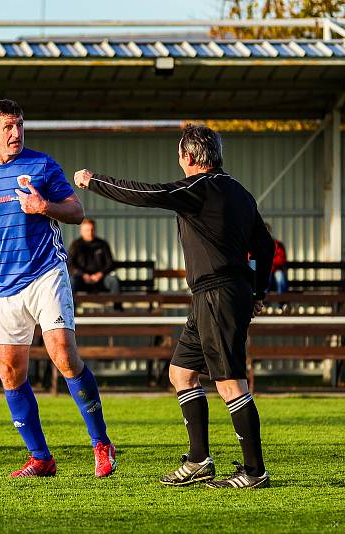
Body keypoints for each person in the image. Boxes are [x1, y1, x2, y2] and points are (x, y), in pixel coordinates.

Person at [75, 124, 274, 489]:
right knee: (180, 373)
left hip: (218, 294)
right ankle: (199, 460)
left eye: (180, 154)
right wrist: (259, 292)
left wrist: (93, 181)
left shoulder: (198, 188)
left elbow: (146, 193)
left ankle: (255, 470)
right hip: (213, 296)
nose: (178, 161)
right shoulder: (241, 193)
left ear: (189, 157)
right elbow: (264, 247)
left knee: (231, 383)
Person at [0, 99, 116, 478]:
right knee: (11, 372)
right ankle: (41, 457)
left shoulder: (42, 165)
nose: (16, 133)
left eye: (20, 125)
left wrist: (44, 206)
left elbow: (77, 212)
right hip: (5, 284)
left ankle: (101, 442)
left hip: (47, 272)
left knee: (63, 355)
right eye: (8, 127)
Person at [68, 218, 122, 310]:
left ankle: (117, 311)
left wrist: (100, 274)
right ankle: (71, 312)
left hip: (101, 280)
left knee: (114, 281)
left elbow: (110, 264)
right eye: (87, 230)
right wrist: (83, 275)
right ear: (81, 231)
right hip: (82, 280)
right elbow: (70, 264)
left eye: (92, 229)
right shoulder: (76, 245)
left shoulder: (102, 244)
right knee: (71, 282)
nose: (90, 232)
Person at [265, 223, 288, 295]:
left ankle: (281, 304)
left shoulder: (278, 244)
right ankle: (263, 304)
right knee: (261, 278)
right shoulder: (256, 245)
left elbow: (281, 260)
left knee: (280, 278)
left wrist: (269, 263)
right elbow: (252, 260)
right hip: (264, 271)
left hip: (276, 270)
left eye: (267, 231)